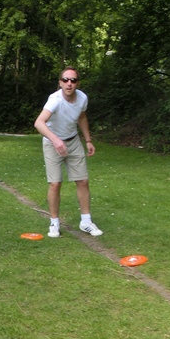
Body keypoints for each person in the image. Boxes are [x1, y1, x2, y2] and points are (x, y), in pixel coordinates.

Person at [34, 67, 102, 238]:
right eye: (65, 80)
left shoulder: (82, 98)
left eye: (73, 80)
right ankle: (54, 223)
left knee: (83, 181)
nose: (69, 83)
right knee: (55, 184)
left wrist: (88, 140)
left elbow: (82, 117)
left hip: (73, 142)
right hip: (52, 143)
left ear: (78, 83)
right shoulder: (54, 100)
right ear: (60, 83)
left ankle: (86, 222)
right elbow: (39, 122)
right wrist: (55, 140)